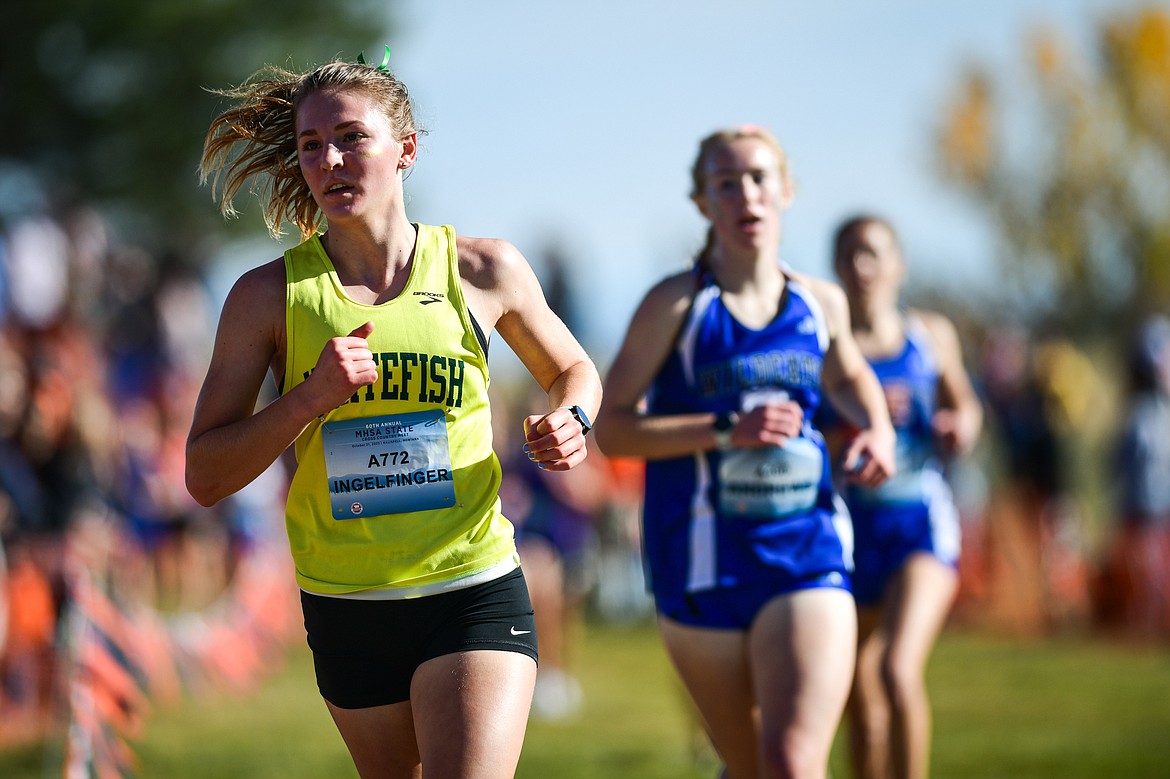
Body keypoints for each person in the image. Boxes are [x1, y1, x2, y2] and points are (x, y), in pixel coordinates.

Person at [187, 51, 601, 779]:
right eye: (311, 145)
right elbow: (205, 474)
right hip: (346, 602)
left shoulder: (482, 269)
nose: (329, 160)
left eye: (351, 137)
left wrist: (573, 420)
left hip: (470, 585)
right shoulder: (266, 297)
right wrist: (309, 397)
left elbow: (573, 371)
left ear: (406, 150)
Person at [594, 126, 896, 779]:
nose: (745, 195)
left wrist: (877, 428)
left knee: (792, 762)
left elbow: (847, 376)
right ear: (703, 203)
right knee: (751, 766)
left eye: (759, 178)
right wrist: (729, 427)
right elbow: (612, 429)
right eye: (726, 183)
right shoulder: (675, 304)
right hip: (700, 563)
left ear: (786, 190)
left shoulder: (821, 303)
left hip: (804, 550)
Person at [828, 216, 982, 779]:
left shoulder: (931, 335)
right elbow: (806, 435)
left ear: (899, 264)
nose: (862, 267)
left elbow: (965, 403)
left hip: (920, 522)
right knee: (859, 699)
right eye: (849, 255)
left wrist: (959, 425)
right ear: (837, 267)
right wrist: (855, 423)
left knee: (896, 669)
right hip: (851, 529)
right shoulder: (827, 347)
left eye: (873, 253)